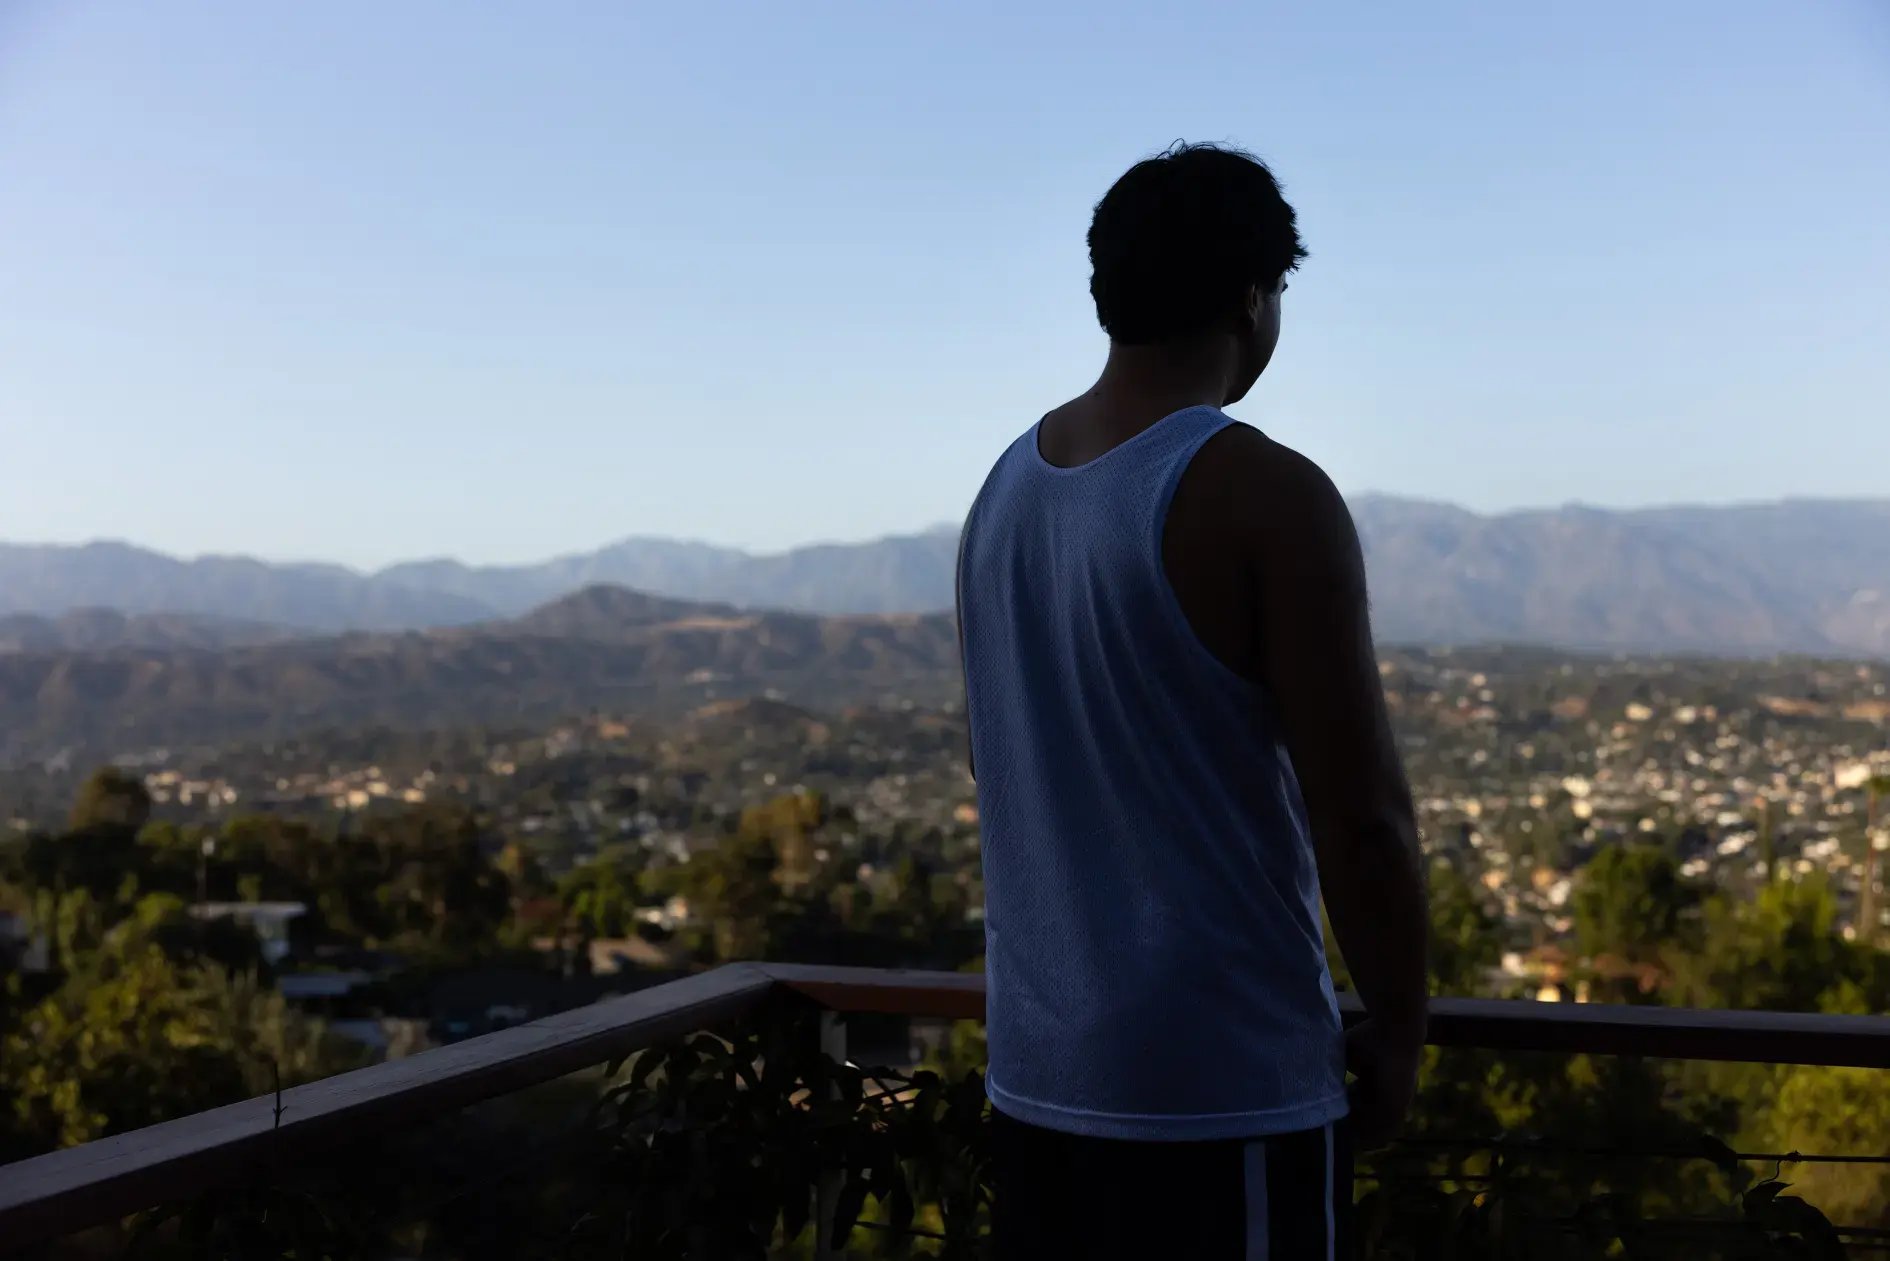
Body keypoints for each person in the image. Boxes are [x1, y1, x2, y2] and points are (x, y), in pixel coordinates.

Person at [956, 141, 1430, 1259]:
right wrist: (1402, 1034)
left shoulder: (1004, 494)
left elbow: (998, 764)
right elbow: (1361, 814)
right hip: (1222, 1089)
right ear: (1253, 298)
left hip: (1035, 1080)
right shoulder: (1265, 494)